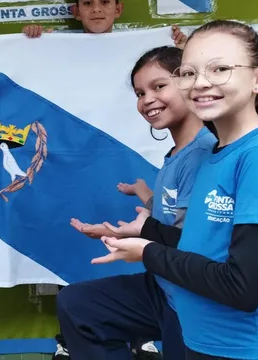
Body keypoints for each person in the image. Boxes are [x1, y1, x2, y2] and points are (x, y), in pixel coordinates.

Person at [89, 20, 258, 360]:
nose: (201, 83)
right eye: (189, 73)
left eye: (220, 68)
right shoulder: (212, 155)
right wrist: (147, 230)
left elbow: (243, 287)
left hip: (251, 352)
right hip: (203, 347)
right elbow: (206, 249)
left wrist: (147, 252)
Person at [60, 46, 216, 359]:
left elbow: (197, 244)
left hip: (191, 299)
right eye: (139, 92)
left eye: (158, 87)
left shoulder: (205, 153)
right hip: (162, 286)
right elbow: (168, 223)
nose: (147, 100)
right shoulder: (175, 155)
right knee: (76, 305)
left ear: (189, 82)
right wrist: (126, 231)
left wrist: (140, 237)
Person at [22, 0, 186, 49]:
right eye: (87, 3)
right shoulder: (57, 44)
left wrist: (179, 45)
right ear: (76, 12)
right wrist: (31, 38)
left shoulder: (136, 46)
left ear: (118, 9)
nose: (96, 9)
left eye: (105, 1)